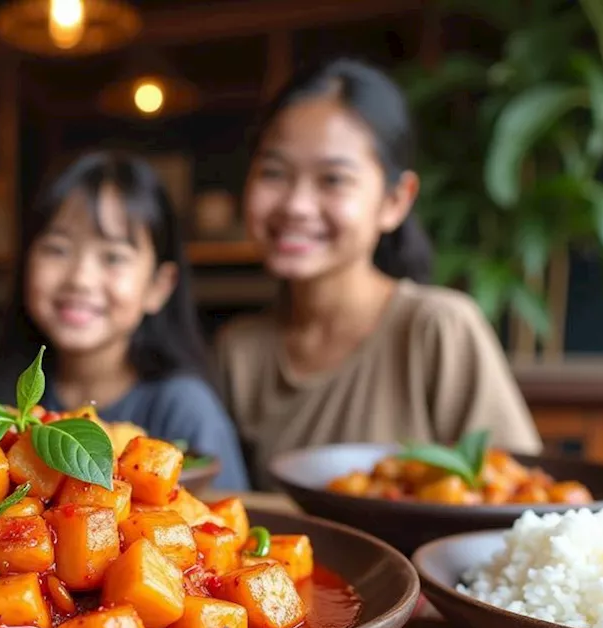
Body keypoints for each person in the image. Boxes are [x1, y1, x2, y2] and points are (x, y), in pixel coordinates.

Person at [213, 58, 541, 487]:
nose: (296, 205)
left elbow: (519, 498)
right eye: (274, 173)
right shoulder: (238, 351)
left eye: (332, 179)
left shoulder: (439, 328)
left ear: (396, 201)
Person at [0, 150, 249, 490]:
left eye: (113, 257)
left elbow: (226, 517)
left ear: (158, 285)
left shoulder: (185, 406)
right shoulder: (2, 396)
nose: (80, 278)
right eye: (57, 249)